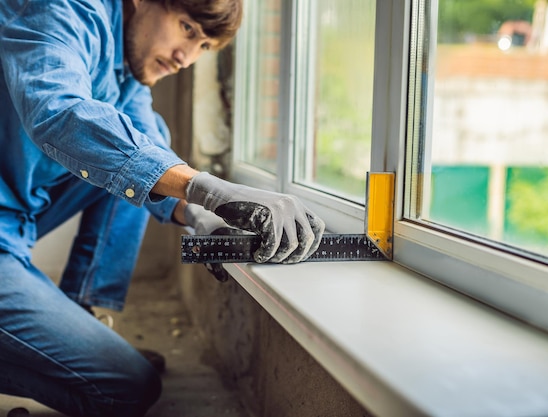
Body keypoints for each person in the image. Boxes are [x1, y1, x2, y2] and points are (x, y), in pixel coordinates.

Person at [0, 0, 325, 416]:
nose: (185, 59)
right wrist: (208, 188)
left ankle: (83, 314)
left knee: (142, 151)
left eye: (204, 46)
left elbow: (152, 156)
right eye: (187, 28)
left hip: (14, 224)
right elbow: (60, 113)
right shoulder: (63, 10)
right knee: (128, 388)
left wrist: (203, 217)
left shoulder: (126, 73)